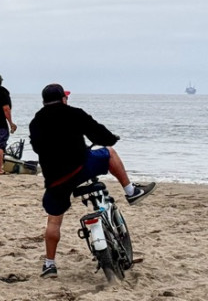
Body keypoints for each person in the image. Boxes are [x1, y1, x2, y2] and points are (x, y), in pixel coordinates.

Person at [29, 83, 156, 278]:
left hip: (56, 180)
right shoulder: (74, 113)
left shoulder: (36, 122)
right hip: (82, 167)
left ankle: (49, 264)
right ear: (63, 98)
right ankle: (131, 191)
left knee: (54, 221)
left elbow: (37, 148)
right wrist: (111, 138)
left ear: (44, 101)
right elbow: (98, 133)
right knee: (109, 153)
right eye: (66, 97)